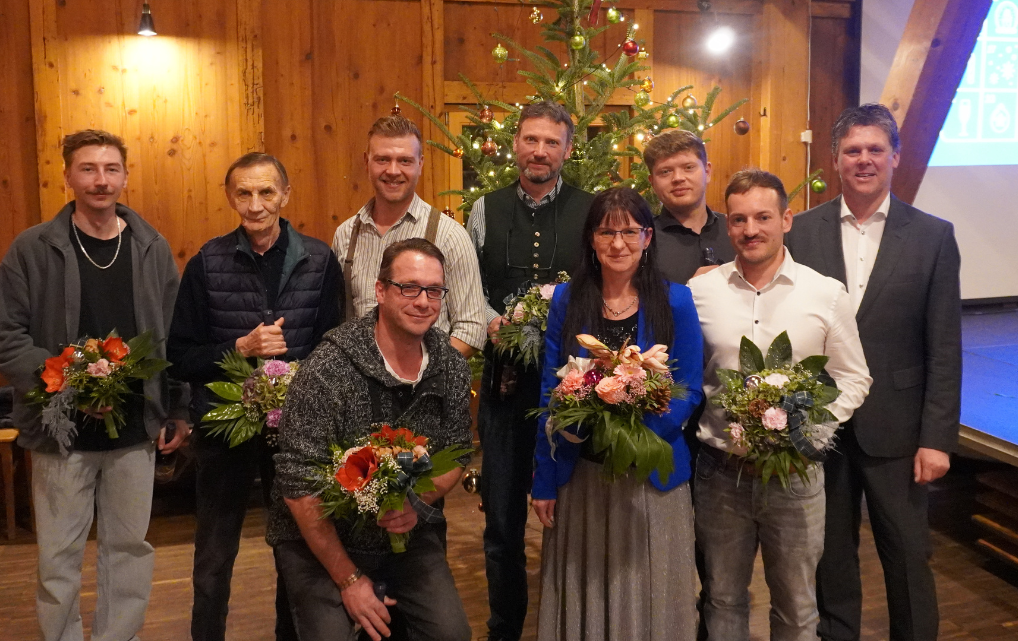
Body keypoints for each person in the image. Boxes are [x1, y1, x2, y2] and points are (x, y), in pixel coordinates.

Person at [0, 129, 189, 641]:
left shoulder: (151, 248)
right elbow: (6, 334)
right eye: (88, 168)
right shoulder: (32, 248)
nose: (100, 180)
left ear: (125, 176)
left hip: (134, 429)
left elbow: (175, 336)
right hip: (60, 431)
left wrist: (178, 408)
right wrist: (65, 377)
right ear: (67, 176)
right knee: (58, 554)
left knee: (129, 549)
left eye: (110, 169)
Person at [785, 104, 962, 641]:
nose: (864, 160)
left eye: (875, 150)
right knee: (831, 557)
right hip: (825, 427)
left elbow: (943, 346)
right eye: (852, 150)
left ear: (895, 157)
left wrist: (937, 439)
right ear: (835, 160)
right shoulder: (803, 231)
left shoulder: (933, 236)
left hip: (901, 432)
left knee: (909, 558)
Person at [687, 169, 872, 641]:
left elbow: (854, 377)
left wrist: (809, 427)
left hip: (797, 477)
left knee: (796, 607)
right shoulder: (699, 293)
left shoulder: (825, 293)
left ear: (786, 220)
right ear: (727, 226)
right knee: (722, 599)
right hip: (720, 474)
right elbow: (686, 376)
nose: (751, 230)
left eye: (763, 217)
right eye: (739, 219)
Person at [167, 152, 343, 641]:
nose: (256, 204)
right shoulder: (207, 262)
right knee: (214, 556)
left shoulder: (319, 259)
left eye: (266, 192)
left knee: (294, 550)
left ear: (285, 195)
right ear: (230, 197)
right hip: (225, 426)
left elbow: (334, 347)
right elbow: (180, 355)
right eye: (244, 193)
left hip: (296, 430)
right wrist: (240, 347)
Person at [269, 239, 473, 641]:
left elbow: (459, 451)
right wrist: (349, 581)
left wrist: (415, 504)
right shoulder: (328, 367)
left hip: (406, 531)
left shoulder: (449, 365)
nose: (423, 301)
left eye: (434, 290)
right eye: (408, 287)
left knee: (452, 634)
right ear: (380, 291)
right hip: (321, 540)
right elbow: (296, 485)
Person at [531, 186, 704, 640]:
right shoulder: (567, 301)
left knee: (653, 591)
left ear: (648, 237)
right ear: (591, 238)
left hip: (651, 473)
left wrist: (633, 435)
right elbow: (551, 391)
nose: (618, 243)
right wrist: (544, 479)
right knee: (586, 585)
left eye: (630, 231)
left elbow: (689, 390)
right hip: (582, 475)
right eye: (607, 232)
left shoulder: (677, 300)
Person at [465, 100, 595, 641]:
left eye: (552, 142)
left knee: (569, 517)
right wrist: (498, 322)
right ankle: (505, 628)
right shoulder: (484, 208)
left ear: (566, 149)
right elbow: (468, 287)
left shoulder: (592, 211)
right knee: (502, 523)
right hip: (503, 388)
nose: (540, 151)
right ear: (515, 143)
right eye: (531, 139)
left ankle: (569, 626)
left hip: (575, 391)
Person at [333, 115, 486, 358]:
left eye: (404, 160)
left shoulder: (449, 235)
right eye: (382, 159)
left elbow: (472, 329)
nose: (393, 171)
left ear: (420, 164)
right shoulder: (346, 234)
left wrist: (427, 375)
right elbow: (340, 321)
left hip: (425, 388)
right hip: (359, 390)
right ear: (367, 162)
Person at [644, 129, 735, 284]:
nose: (678, 178)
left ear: (707, 171)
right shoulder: (643, 241)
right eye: (665, 172)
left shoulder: (736, 231)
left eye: (688, 167)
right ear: (652, 182)